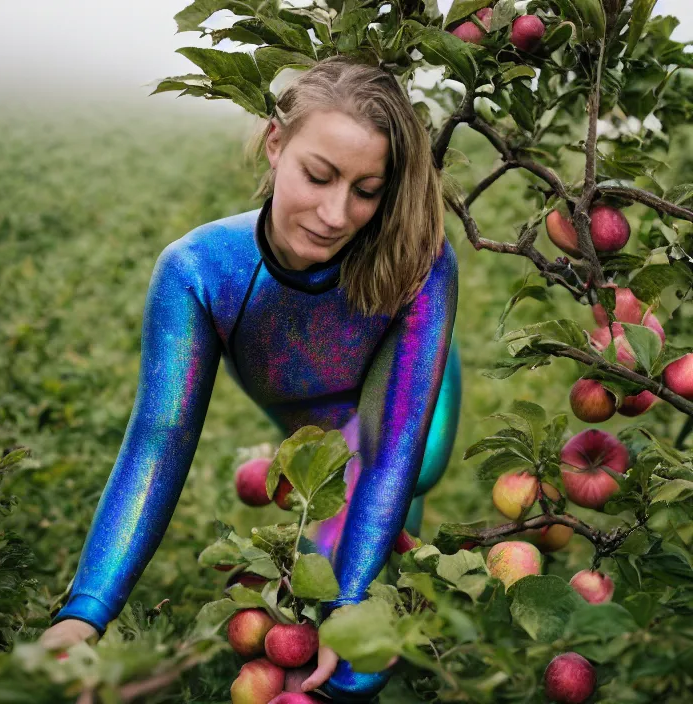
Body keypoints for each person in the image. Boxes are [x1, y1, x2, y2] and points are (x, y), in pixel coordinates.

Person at [38, 55, 462, 701]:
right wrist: (84, 613)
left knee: (355, 652)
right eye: (318, 176)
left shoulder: (418, 259)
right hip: (313, 426)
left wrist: (347, 603)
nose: (335, 213)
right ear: (275, 143)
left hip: (401, 409)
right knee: (325, 638)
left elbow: (390, 447)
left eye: (367, 191)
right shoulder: (198, 270)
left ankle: (369, 547)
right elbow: (160, 438)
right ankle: (347, 523)